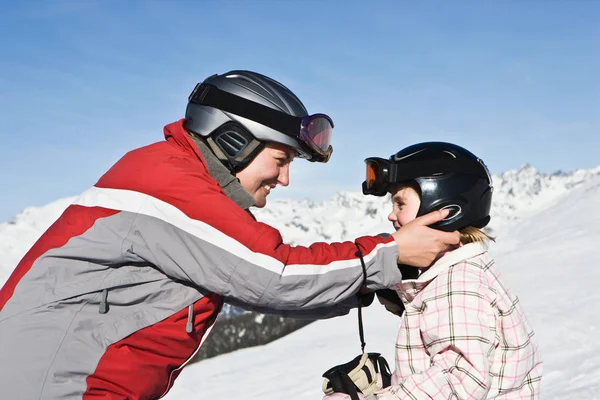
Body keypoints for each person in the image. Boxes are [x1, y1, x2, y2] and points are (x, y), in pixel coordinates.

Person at [0, 71, 460, 400]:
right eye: (281, 161)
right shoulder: (166, 183)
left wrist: (372, 282)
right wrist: (390, 254)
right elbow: (272, 273)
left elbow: (256, 282)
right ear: (234, 140)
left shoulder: (184, 184)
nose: (284, 181)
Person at [322, 142, 542, 399]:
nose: (391, 216)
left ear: (444, 210)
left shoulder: (456, 286)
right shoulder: (456, 273)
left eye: (400, 204)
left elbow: (460, 381)